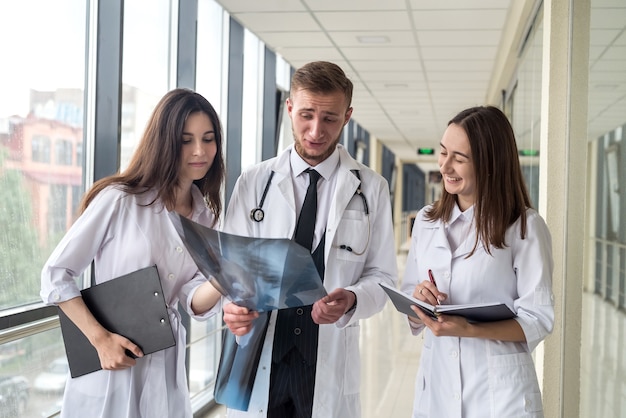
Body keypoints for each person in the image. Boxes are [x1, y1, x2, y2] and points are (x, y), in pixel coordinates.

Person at [220, 61, 397, 417]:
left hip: (327, 361)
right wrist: (232, 307)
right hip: (261, 352)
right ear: (289, 108)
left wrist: (351, 299)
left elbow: (384, 277)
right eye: (306, 115)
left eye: (330, 118)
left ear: (347, 116)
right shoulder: (253, 183)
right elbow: (229, 268)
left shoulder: (371, 188)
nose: (316, 130)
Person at [40, 88, 225, 418]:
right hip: (111, 362)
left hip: (164, 363)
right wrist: (100, 340)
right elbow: (56, 274)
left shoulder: (206, 218)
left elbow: (192, 298)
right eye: (186, 140)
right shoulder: (119, 200)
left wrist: (229, 276)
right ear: (165, 142)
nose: (200, 151)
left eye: (208, 139)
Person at [401, 106, 555, 417]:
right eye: (443, 152)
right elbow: (410, 308)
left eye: (459, 158)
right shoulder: (427, 222)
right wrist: (418, 303)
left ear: (490, 165)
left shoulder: (524, 226)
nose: (445, 166)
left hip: (500, 394)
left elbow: (538, 318)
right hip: (438, 387)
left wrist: (468, 329)